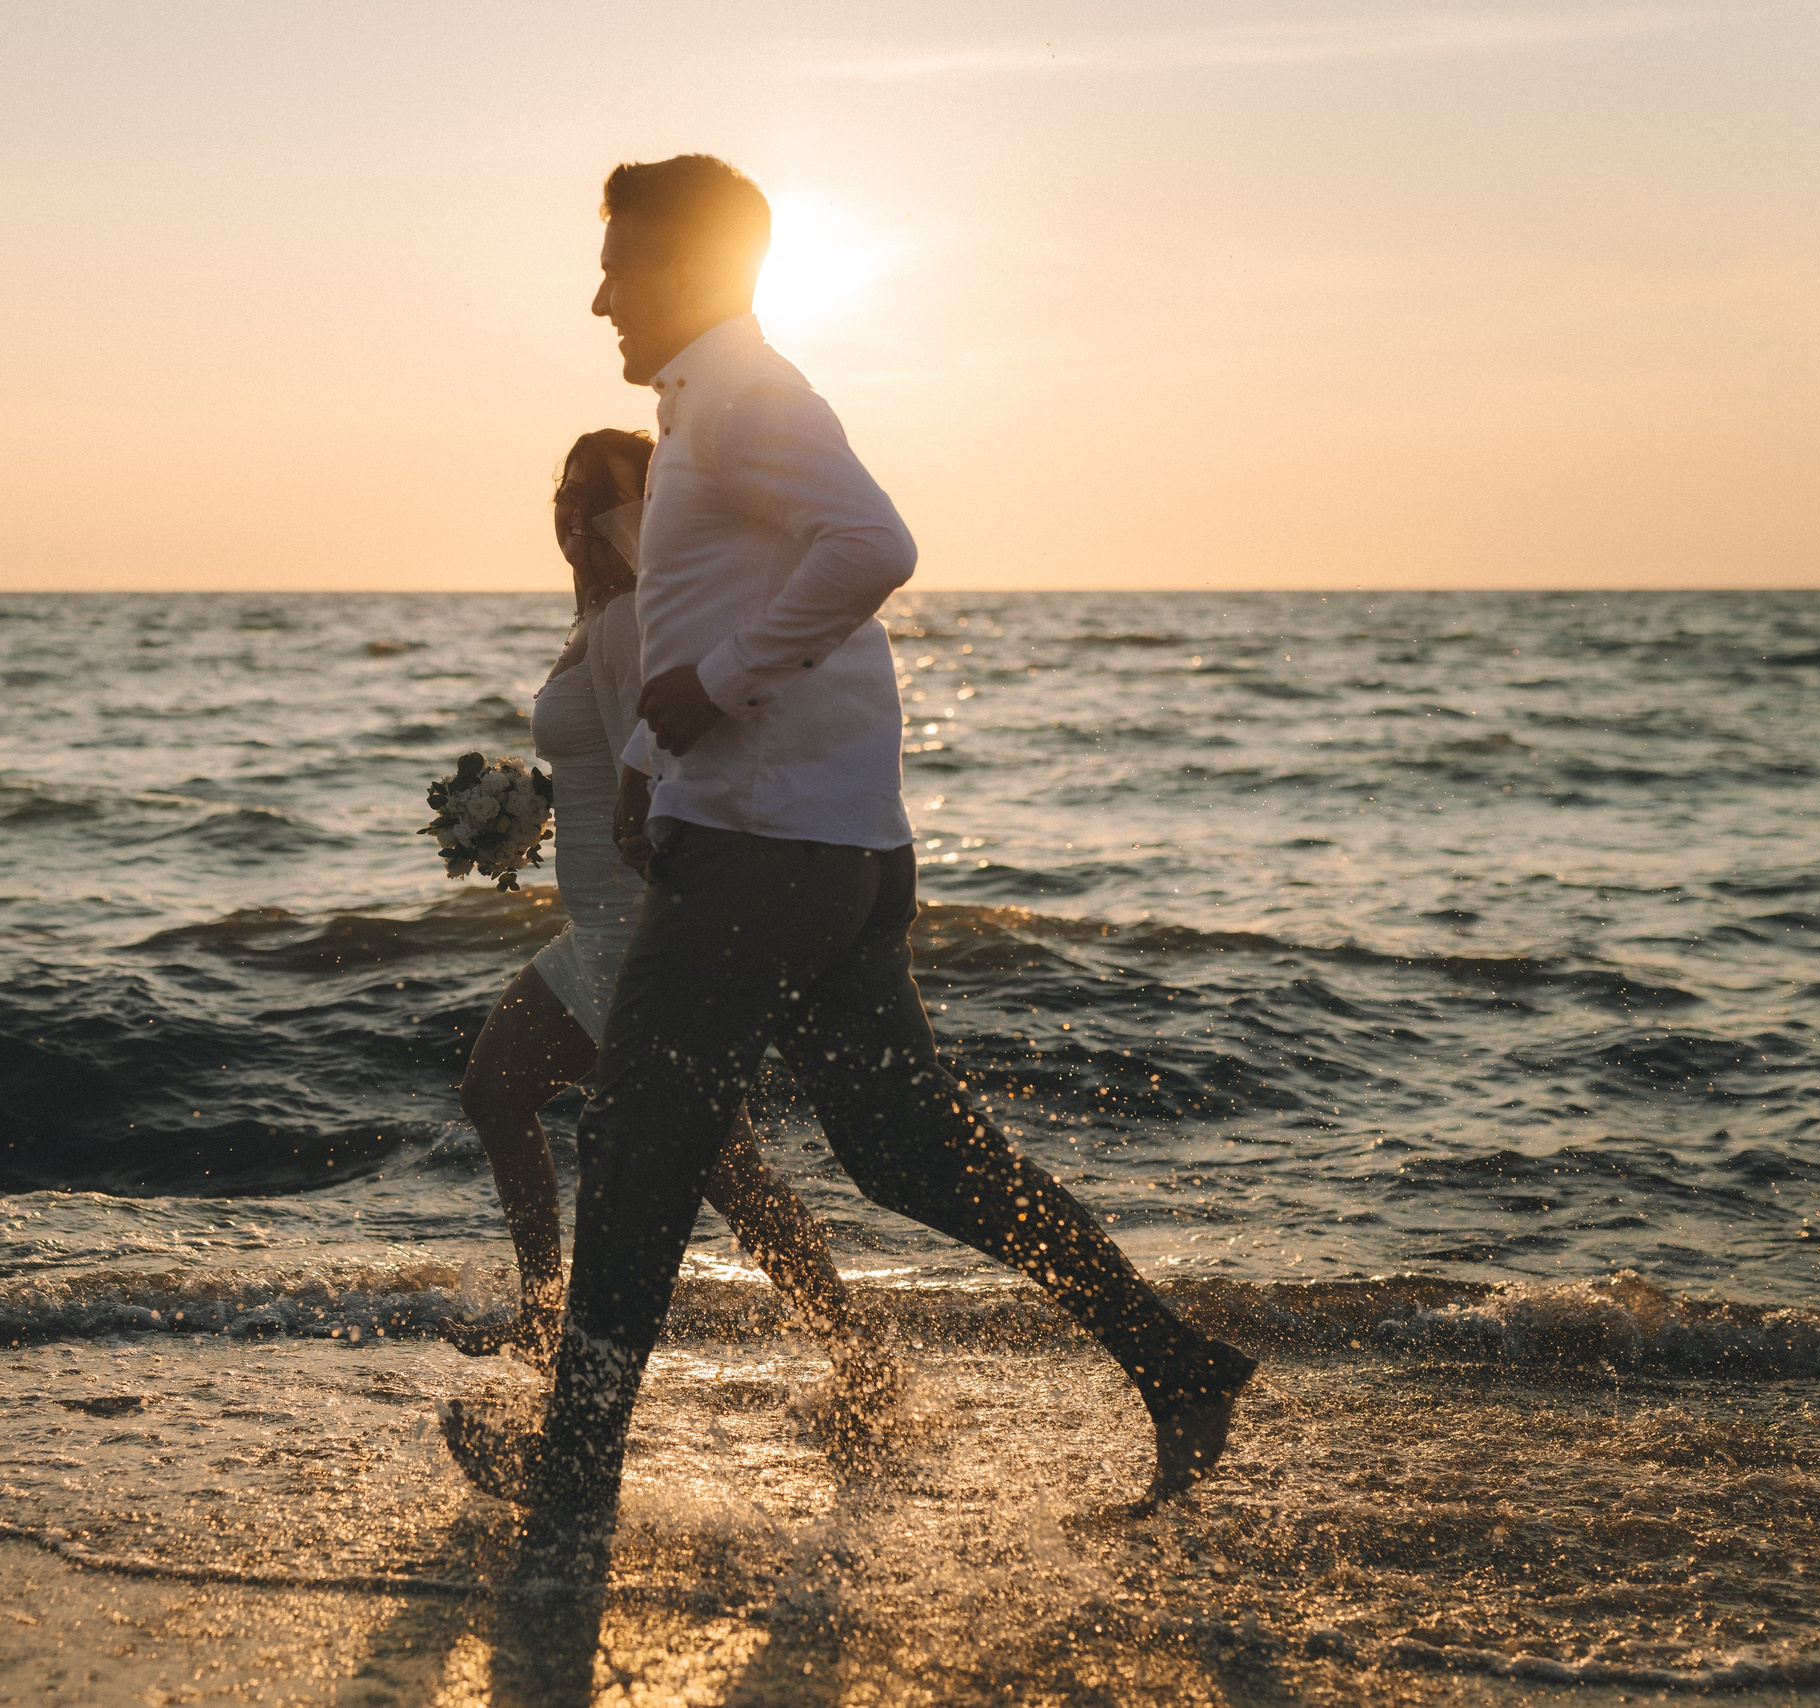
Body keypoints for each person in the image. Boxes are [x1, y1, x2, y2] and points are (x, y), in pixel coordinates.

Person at [446, 155, 1254, 1538]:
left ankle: (574, 1480)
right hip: (827, 847)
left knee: (640, 1141)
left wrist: (717, 695)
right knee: (905, 1150)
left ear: (694, 269)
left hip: (769, 857)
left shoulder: (752, 401)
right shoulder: (707, 416)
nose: (599, 298)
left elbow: (874, 546)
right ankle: (1174, 1363)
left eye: (623, 265)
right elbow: (704, 629)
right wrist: (649, 757)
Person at [447, 427, 885, 1393]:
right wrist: (523, 812)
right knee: (503, 1093)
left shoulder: (623, 621)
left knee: (729, 1172)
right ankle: (543, 1310)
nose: (572, 509)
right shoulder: (604, 616)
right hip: (594, 928)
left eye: (594, 494)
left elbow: (658, 767)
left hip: (631, 929)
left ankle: (857, 1356)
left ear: (639, 509)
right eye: (561, 490)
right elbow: (616, 762)